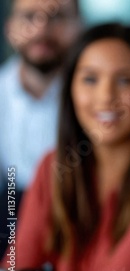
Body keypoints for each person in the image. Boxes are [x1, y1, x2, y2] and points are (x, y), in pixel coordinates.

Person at [2, 23, 130, 271]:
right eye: (90, 79)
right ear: (70, 90)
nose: (105, 96)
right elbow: (16, 266)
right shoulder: (53, 166)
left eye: (124, 80)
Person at [0, 0, 82, 256]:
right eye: (29, 17)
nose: (41, 29)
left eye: (56, 17)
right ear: (10, 28)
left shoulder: (95, 101)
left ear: (79, 27)